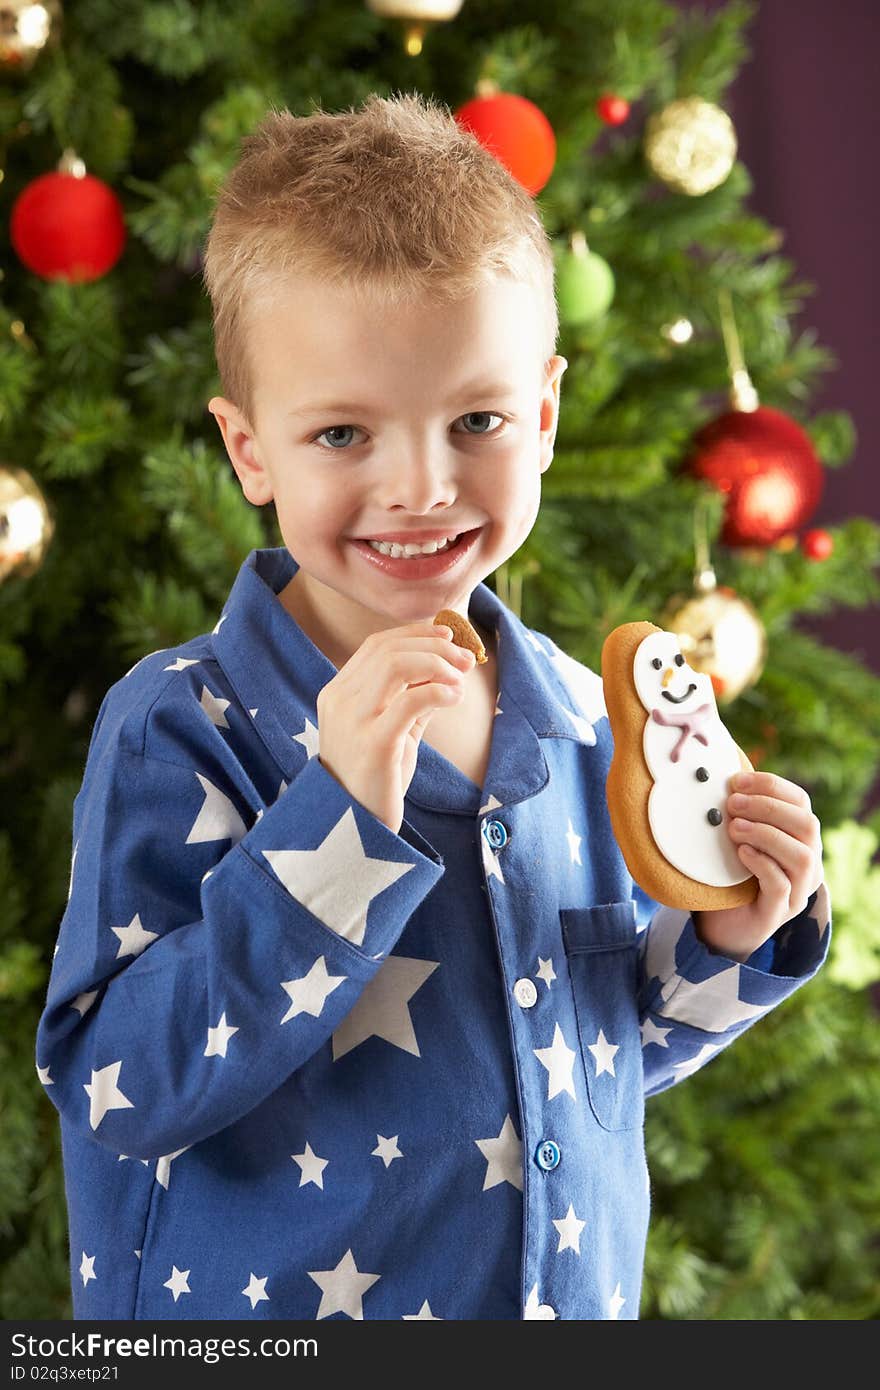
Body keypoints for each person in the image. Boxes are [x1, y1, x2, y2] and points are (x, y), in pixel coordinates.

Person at [35, 92, 829, 1321]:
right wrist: (333, 829)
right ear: (250, 451)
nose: (420, 484)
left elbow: (595, 1053)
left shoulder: (580, 719)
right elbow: (116, 1087)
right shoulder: (186, 723)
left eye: (478, 420)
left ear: (547, 412)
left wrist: (730, 941)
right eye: (342, 431)